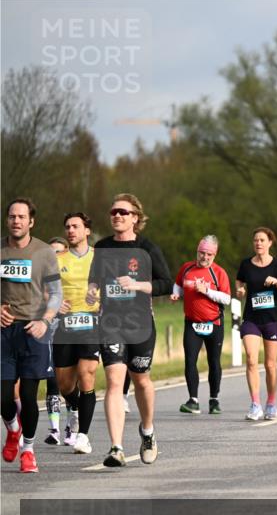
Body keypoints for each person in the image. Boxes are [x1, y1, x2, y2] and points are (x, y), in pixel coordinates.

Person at [86, 193, 171, 467]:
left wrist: (138, 285)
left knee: (141, 380)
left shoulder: (147, 248)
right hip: (111, 323)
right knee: (113, 380)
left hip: (140, 324)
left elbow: (166, 283)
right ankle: (116, 447)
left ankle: (147, 430)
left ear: (135, 217)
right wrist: (91, 291)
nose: (117, 216)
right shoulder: (102, 247)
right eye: (113, 212)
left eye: (123, 212)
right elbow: (94, 279)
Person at [2, 198, 62, 473]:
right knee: (3, 396)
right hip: (4, 330)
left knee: (28, 395)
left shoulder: (44, 252)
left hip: (34, 330)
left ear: (31, 221)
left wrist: (44, 321)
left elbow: (57, 294)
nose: (16, 221)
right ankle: (13, 429)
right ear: (7, 220)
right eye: (12, 216)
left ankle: (28, 450)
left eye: (21, 217)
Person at [51, 212, 100, 454]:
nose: (71, 230)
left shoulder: (100, 258)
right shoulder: (57, 259)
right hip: (65, 325)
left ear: (87, 230)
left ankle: (83, 436)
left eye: (76, 226)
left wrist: (102, 300)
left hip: (92, 322)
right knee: (64, 385)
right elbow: (43, 290)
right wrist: (54, 304)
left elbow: (113, 286)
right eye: (68, 227)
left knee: (86, 373)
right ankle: (75, 407)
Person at [235, 227, 277, 421]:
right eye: (256, 240)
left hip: (272, 319)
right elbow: (239, 282)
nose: (258, 243)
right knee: (251, 360)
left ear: (270, 243)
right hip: (251, 318)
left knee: (270, 364)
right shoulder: (246, 264)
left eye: (262, 240)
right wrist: (240, 291)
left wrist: (276, 282)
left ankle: (271, 404)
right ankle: (255, 404)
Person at [172, 235, 231, 415]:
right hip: (192, 323)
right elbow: (178, 284)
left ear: (214, 255)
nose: (204, 257)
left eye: (209, 254)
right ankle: (193, 400)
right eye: (201, 253)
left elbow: (226, 299)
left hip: (214, 323)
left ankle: (214, 400)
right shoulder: (187, 268)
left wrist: (207, 291)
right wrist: (176, 294)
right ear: (197, 252)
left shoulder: (218, 272)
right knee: (190, 360)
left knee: (214, 361)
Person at [43, 237, 67, 444]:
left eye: (59, 252)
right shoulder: (43, 273)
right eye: (51, 252)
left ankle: (73, 426)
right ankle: (54, 430)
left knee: (69, 383)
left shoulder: (74, 273)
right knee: (52, 379)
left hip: (70, 331)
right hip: (49, 330)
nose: (55, 256)